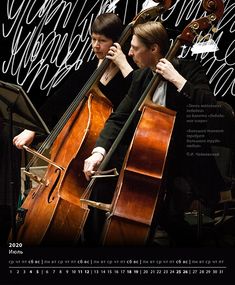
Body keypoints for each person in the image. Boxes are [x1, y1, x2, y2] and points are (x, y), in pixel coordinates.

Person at [83, 21, 225, 246]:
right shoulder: (140, 78)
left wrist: (177, 79)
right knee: (101, 183)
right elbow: (119, 118)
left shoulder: (189, 70)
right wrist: (98, 153)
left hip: (184, 163)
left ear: (154, 49)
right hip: (147, 160)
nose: (129, 53)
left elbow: (212, 110)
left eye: (135, 48)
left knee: (164, 212)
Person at [0, 13, 133, 245]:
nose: (95, 45)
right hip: (84, 156)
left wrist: (123, 65)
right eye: (92, 39)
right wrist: (33, 129)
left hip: (114, 150)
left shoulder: (127, 75)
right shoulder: (90, 69)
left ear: (116, 42)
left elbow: (135, 104)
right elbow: (58, 100)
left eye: (101, 40)